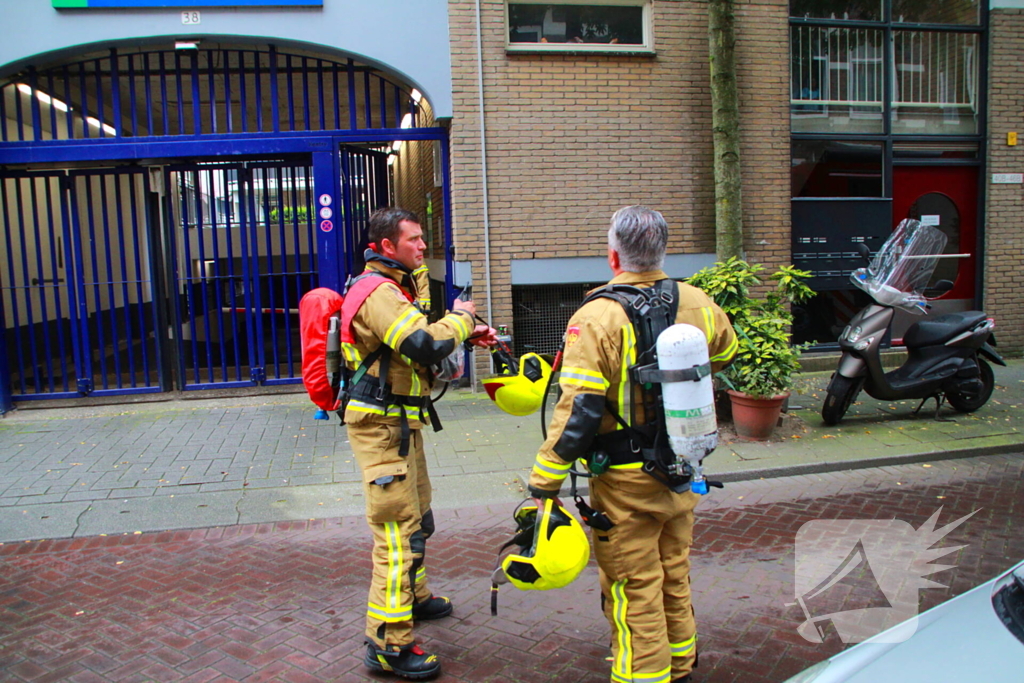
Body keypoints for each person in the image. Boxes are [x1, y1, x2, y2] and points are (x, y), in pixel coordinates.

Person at [527, 205, 737, 683]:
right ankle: (680, 665)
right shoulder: (699, 301)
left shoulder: (597, 316)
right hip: (683, 467)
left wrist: (545, 481)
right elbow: (724, 354)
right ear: (662, 250)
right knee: (674, 574)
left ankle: (643, 675)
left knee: (632, 587)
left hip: (623, 480)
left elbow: (579, 410)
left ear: (613, 256)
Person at [345, 206, 496, 680]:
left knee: (419, 519)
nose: (423, 247)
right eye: (414, 240)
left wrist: (466, 335)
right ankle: (388, 644)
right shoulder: (377, 292)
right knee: (396, 538)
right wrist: (462, 321)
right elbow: (423, 346)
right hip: (381, 430)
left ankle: (417, 597)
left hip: (402, 425)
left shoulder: (396, 286)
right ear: (387, 246)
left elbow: (422, 344)